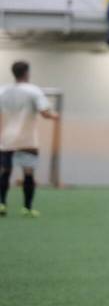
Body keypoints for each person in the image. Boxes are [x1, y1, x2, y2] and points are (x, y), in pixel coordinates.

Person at [0, 61, 58, 218]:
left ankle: (2, 204)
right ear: (26, 73)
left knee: (5, 172)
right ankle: (27, 208)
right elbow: (45, 113)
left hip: (6, 139)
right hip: (27, 140)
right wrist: (55, 116)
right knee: (28, 173)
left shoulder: (3, 91)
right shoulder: (33, 91)